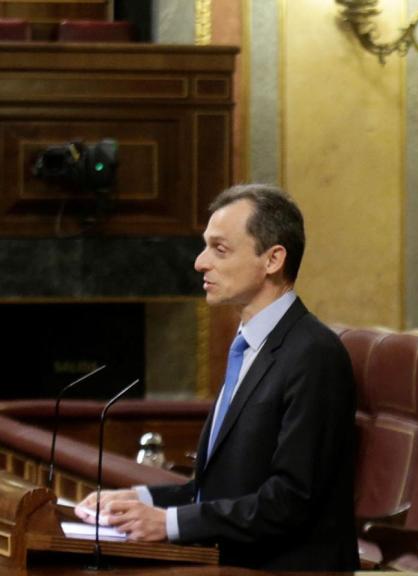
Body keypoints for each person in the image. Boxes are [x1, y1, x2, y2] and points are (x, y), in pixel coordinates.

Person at [75, 184, 358, 571]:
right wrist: (139, 500)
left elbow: (290, 501)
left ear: (273, 259)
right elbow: (218, 491)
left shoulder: (314, 355)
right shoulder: (250, 346)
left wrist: (168, 524)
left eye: (219, 249)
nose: (199, 263)